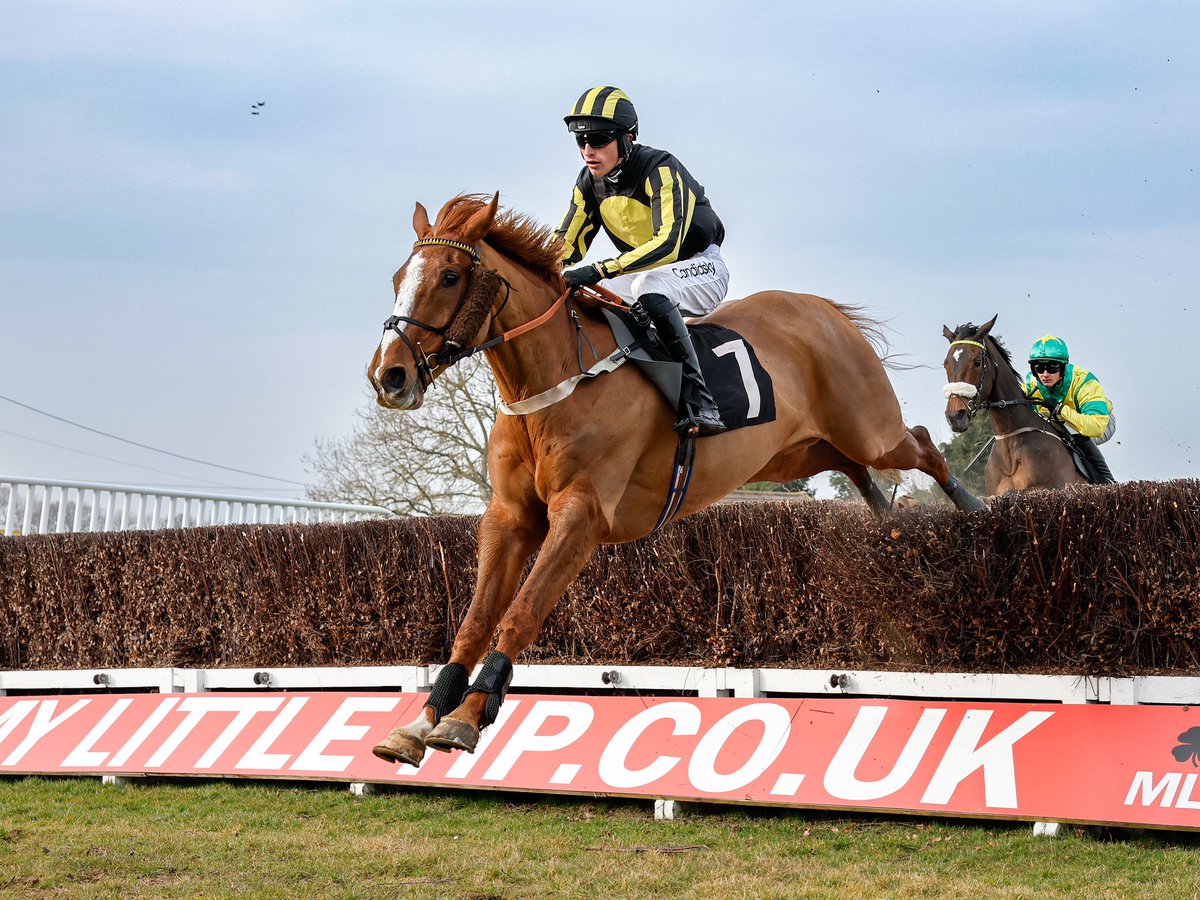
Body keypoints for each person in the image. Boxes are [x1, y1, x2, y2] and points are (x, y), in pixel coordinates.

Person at [555, 86, 729, 437]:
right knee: (590, 295)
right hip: (643, 273)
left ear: (628, 137)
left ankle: (701, 402)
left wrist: (600, 268)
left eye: (600, 139)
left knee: (646, 285)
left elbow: (667, 243)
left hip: (699, 267)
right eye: (581, 141)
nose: (589, 151)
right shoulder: (588, 183)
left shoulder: (660, 168)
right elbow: (565, 246)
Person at [1024, 335, 1117, 483]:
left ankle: (1107, 481)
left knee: (1072, 430)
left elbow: (1096, 428)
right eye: (1039, 368)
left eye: (1052, 367)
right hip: (1057, 423)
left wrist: (1061, 410)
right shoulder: (1031, 383)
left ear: (1063, 367)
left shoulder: (1085, 382)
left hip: (1100, 423)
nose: (1045, 374)